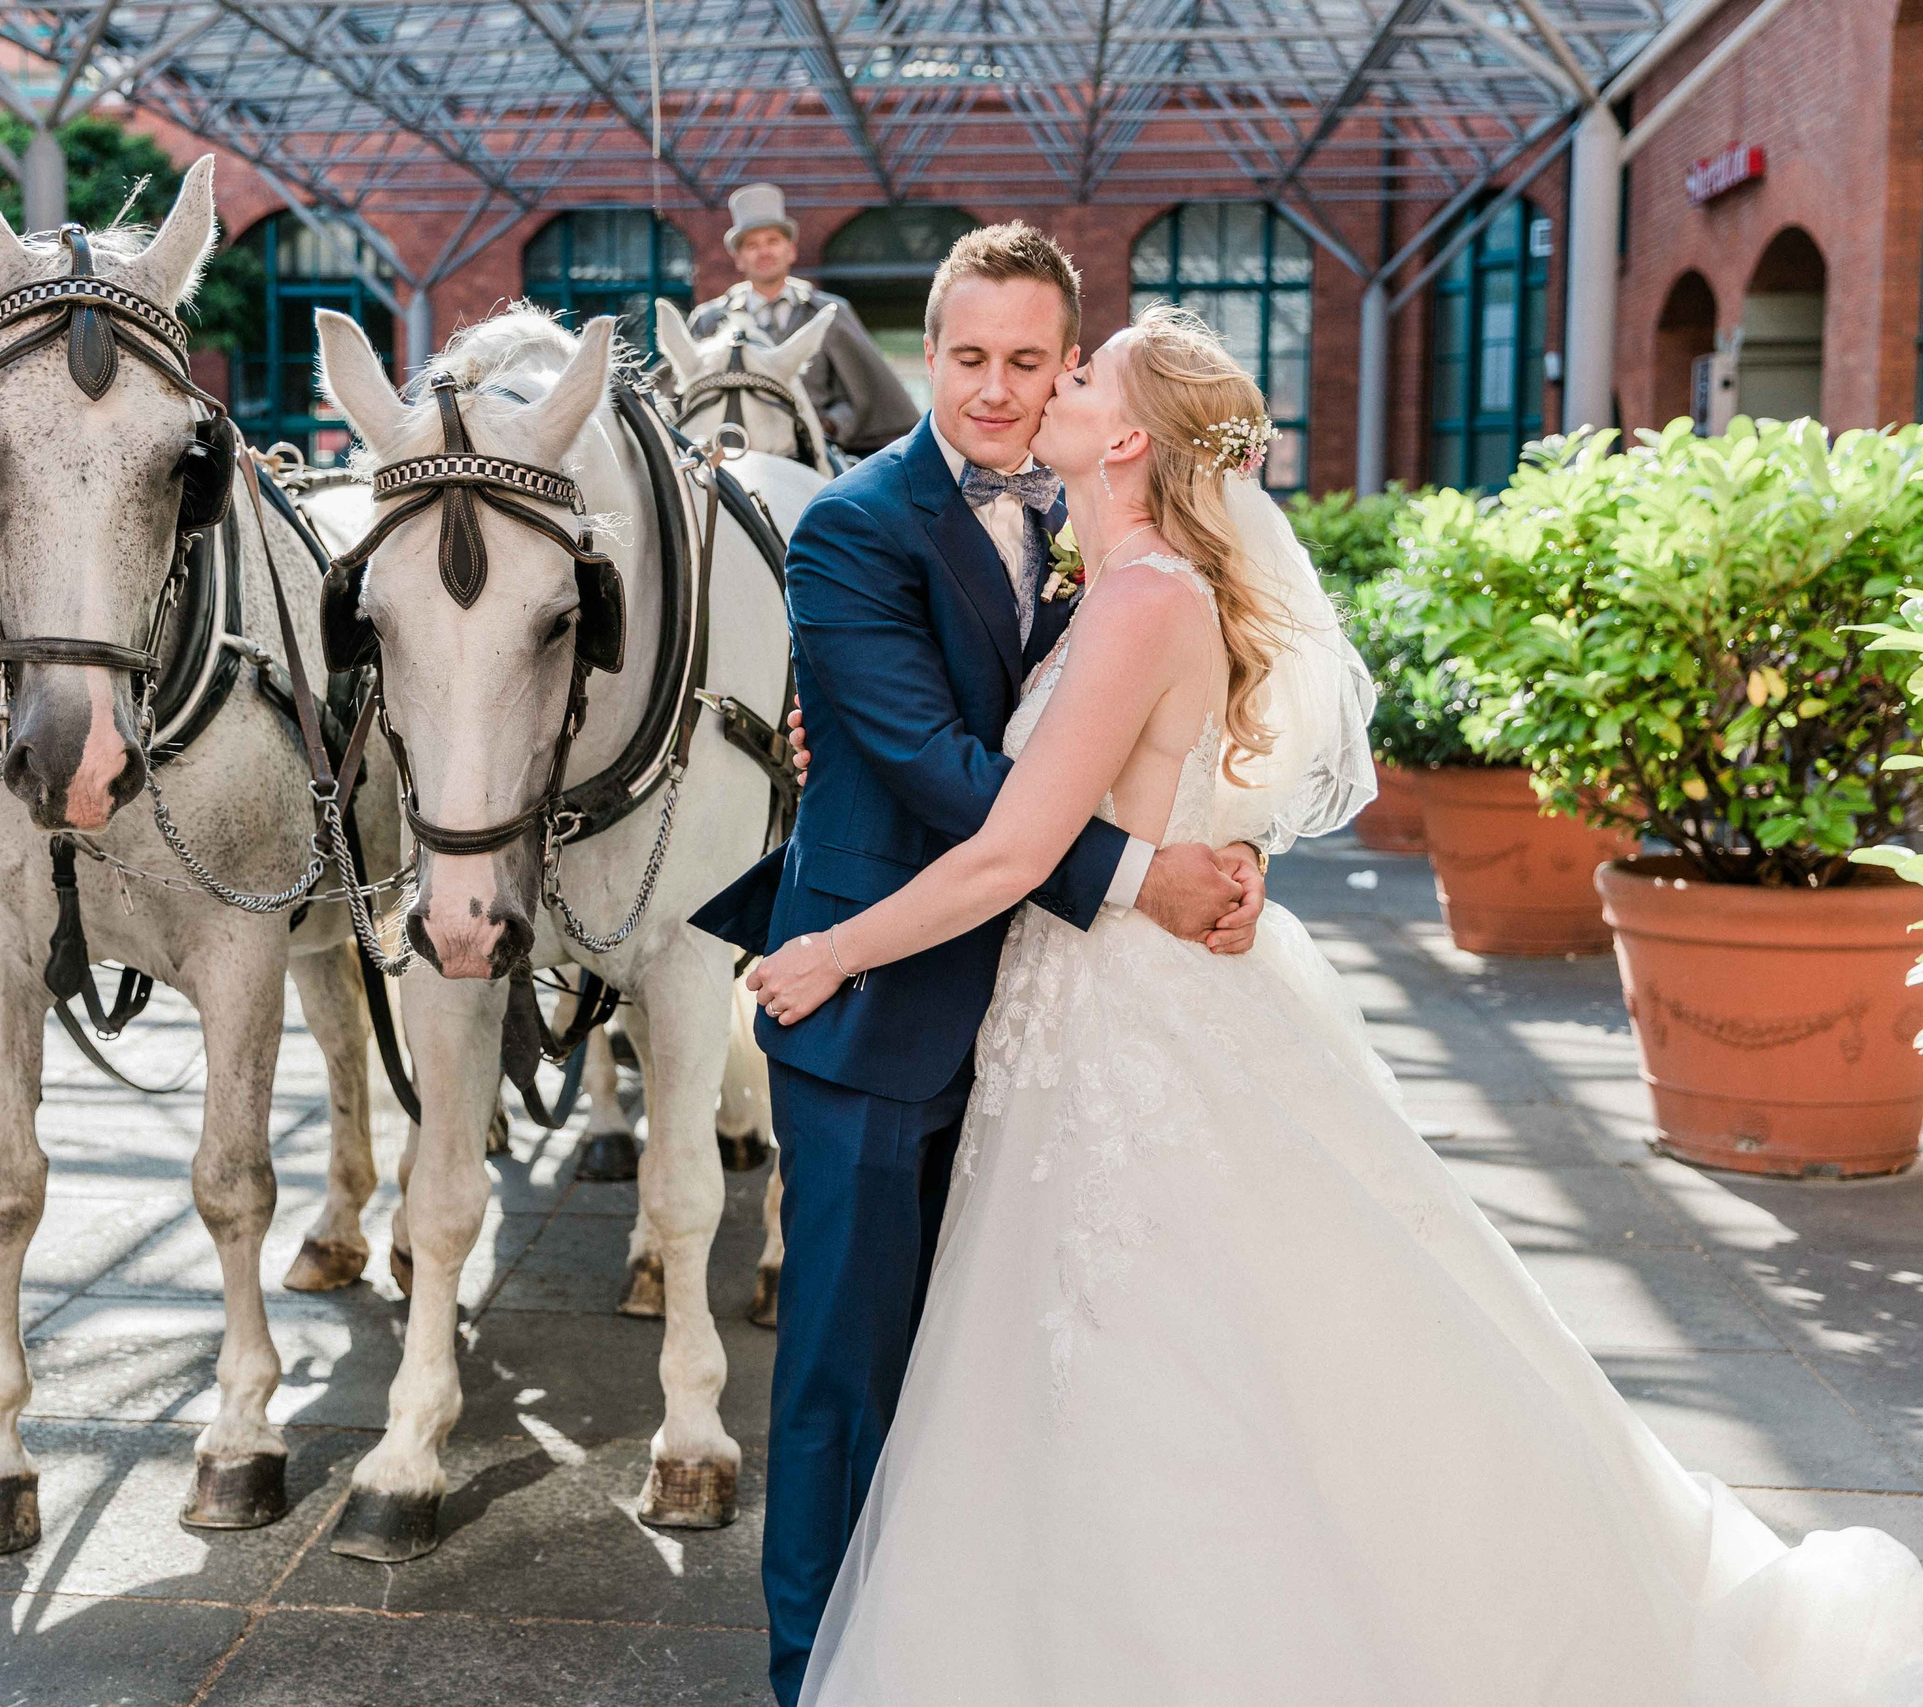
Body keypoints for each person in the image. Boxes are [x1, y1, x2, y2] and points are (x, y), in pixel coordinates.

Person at [745, 304, 1923, 1702]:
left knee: (1166, 1356)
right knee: (1139, 1359)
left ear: (1124, 435)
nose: (1045, 386)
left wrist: (827, 950)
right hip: (1086, 1017)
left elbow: (1011, 848)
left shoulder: (1138, 600)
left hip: (1118, 1023)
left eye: (1075, 370)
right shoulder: (1110, 584)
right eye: (1009, 362)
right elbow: (973, 741)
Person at [689, 224, 1265, 1705]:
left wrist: (1205, 836)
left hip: (1053, 1026)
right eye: (969, 358)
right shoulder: (852, 525)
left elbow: (1123, 726)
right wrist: (1146, 876)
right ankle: (815, 1671)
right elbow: (943, 768)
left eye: (1028, 361)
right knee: (841, 1381)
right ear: (925, 351)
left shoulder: (1102, 528)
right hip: (873, 1005)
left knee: (1005, 1380)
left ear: (1073, 368)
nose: (998, 392)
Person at [686, 186, 918, 457]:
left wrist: (830, 424)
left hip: (813, 453)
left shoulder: (829, 313)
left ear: (791, 250)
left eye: (772, 241)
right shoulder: (710, 321)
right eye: (752, 245)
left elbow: (858, 397)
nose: (764, 252)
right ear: (738, 259)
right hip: (735, 455)